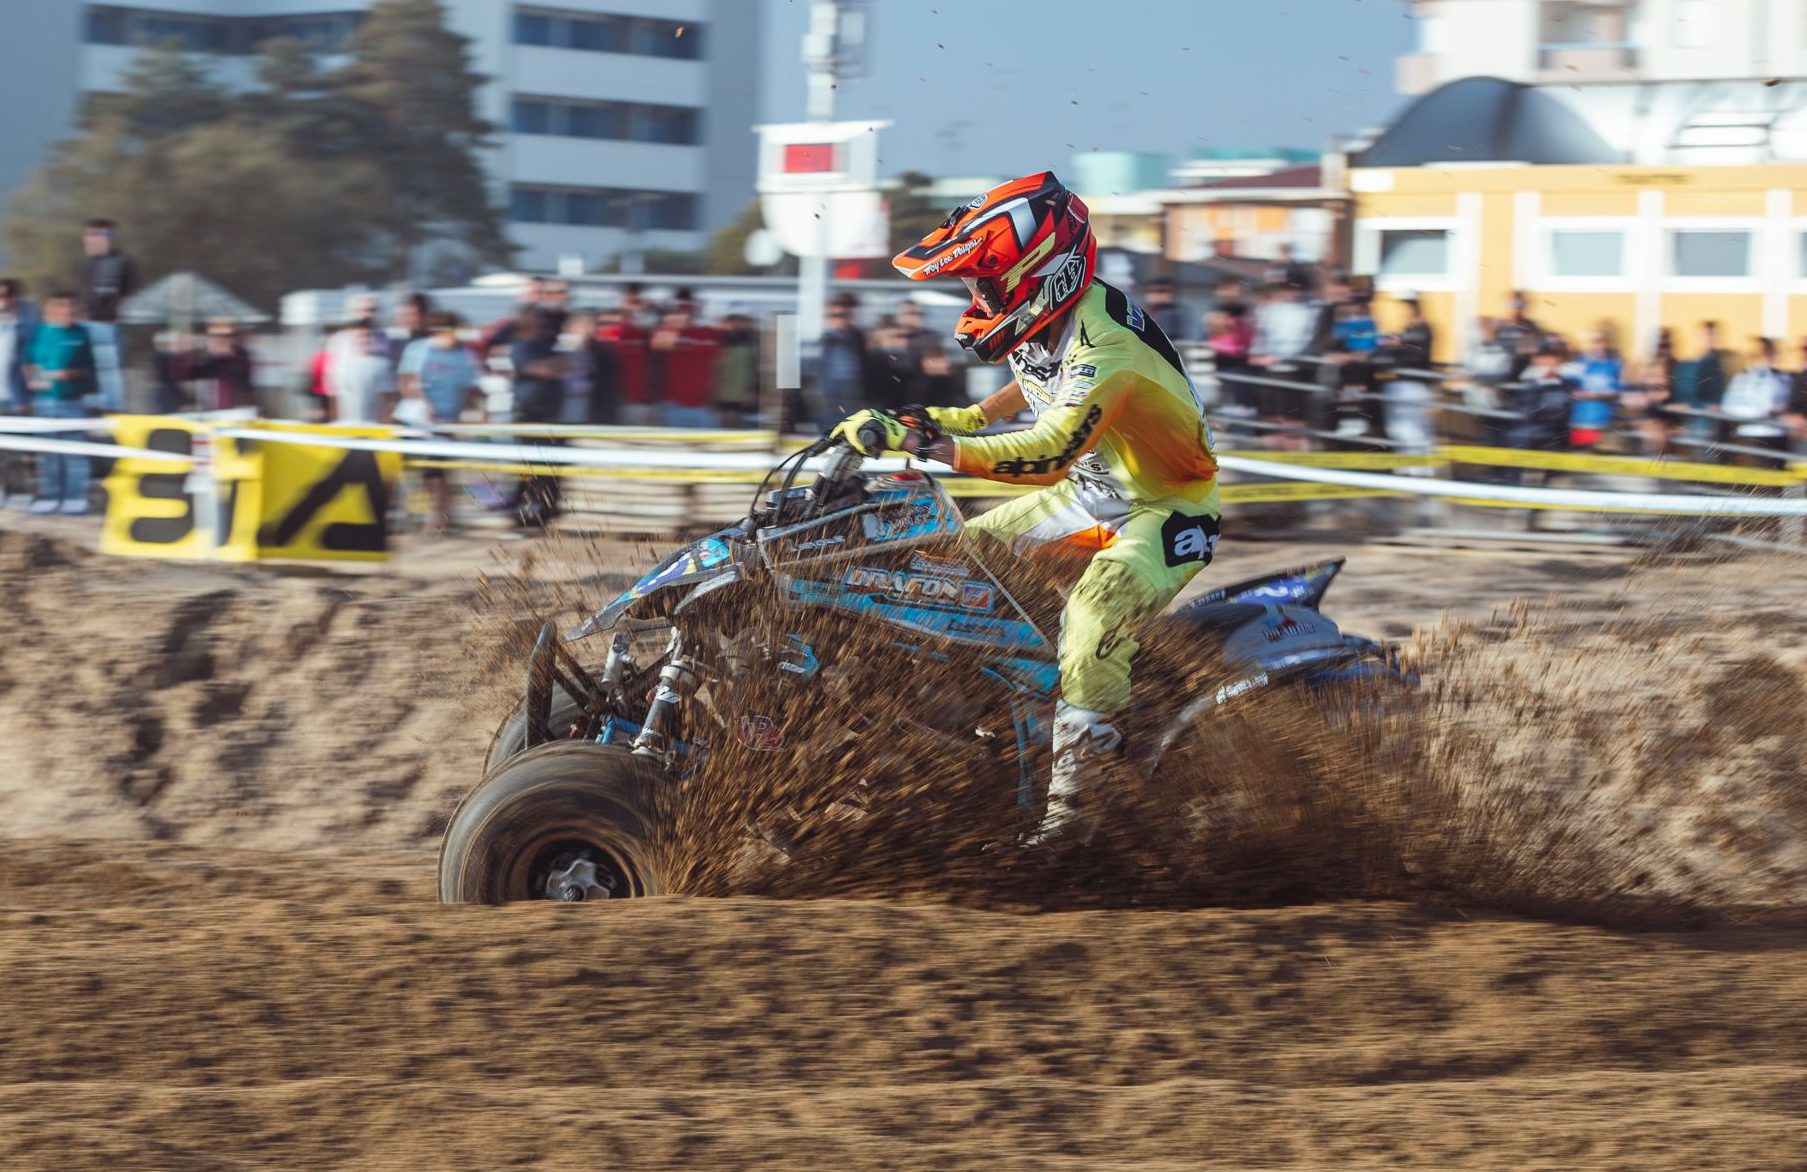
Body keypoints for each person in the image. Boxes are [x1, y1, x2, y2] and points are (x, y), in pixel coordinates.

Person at [841, 171, 1221, 841]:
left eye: (985, 286)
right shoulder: (1050, 326)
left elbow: (1048, 451)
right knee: (946, 565)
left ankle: (1077, 819)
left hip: (1165, 510)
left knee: (1090, 614)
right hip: (1090, 499)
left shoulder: (1105, 345)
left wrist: (933, 446)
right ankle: (989, 716)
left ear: (1039, 275)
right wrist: (914, 422)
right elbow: (997, 406)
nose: (975, 299)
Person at [398, 312, 481, 533]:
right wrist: (426, 406)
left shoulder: (465, 356)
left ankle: (439, 520)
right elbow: (408, 381)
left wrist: (459, 414)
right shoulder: (418, 350)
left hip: (445, 424)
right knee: (407, 469)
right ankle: (408, 514)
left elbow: (469, 388)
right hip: (415, 421)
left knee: (439, 474)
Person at [21, 292, 97, 514]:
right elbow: (28, 363)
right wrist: (39, 380)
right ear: (51, 310)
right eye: (62, 307)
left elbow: (90, 369)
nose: (68, 311)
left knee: (74, 452)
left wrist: (72, 374)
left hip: (72, 401)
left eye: (71, 307)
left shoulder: (81, 334)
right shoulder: (40, 332)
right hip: (45, 401)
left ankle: (74, 497)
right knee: (48, 453)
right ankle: (50, 496)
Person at [509, 307, 569, 527]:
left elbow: (564, 367)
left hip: (551, 417)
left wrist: (554, 366)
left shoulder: (549, 348)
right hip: (529, 416)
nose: (543, 325)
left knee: (550, 470)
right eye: (538, 320)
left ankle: (543, 514)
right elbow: (546, 370)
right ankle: (522, 514)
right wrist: (554, 366)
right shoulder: (522, 347)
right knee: (529, 469)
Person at [650, 296, 720, 428]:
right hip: (673, 404)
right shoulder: (665, 333)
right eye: (678, 312)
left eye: (686, 312)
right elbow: (659, 343)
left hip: (702, 405)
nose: (682, 316)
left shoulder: (707, 334)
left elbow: (718, 365)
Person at [1720, 337, 1791, 450]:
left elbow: (1788, 403)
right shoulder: (1742, 378)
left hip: (1776, 434)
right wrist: (1762, 411)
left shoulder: (1783, 378)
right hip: (1748, 433)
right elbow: (1729, 406)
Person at [814, 294, 867, 429]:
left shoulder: (858, 337)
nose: (838, 320)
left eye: (842, 315)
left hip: (852, 386)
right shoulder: (826, 338)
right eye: (833, 316)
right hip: (830, 387)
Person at [1566, 331, 1623, 450]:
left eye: (1601, 343)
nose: (1598, 347)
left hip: (1603, 422)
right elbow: (1571, 391)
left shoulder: (1614, 365)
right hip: (1581, 420)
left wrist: (1594, 395)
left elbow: (1617, 392)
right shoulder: (1579, 363)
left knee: (1600, 457)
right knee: (1581, 455)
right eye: (1595, 343)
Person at [329, 322, 394, 425]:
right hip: (347, 425)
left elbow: (388, 399)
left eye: (369, 336)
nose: (365, 340)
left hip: (374, 426)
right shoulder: (341, 366)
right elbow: (336, 398)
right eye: (360, 336)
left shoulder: (383, 364)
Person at [191, 321, 255, 412]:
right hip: (209, 406)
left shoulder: (240, 356)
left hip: (235, 406)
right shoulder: (205, 358)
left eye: (225, 337)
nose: (221, 340)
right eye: (216, 337)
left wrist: (223, 356)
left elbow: (241, 379)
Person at [713, 312, 759, 427]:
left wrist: (752, 392)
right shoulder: (720, 341)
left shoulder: (751, 345)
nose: (735, 325)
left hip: (739, 395)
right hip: (724, 394)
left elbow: (753, 370)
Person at [0, 278, 38, 414]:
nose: (2, 300)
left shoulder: (29, 327)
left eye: (6, 295)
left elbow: (34, 361)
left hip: (17, 400)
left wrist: (28, 399)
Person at [1143, 276, 1193, 342]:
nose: (1159, 295)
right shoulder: (1138, 310)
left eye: (1164, 291)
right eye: (1154, 291)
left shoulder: (1180, 312)